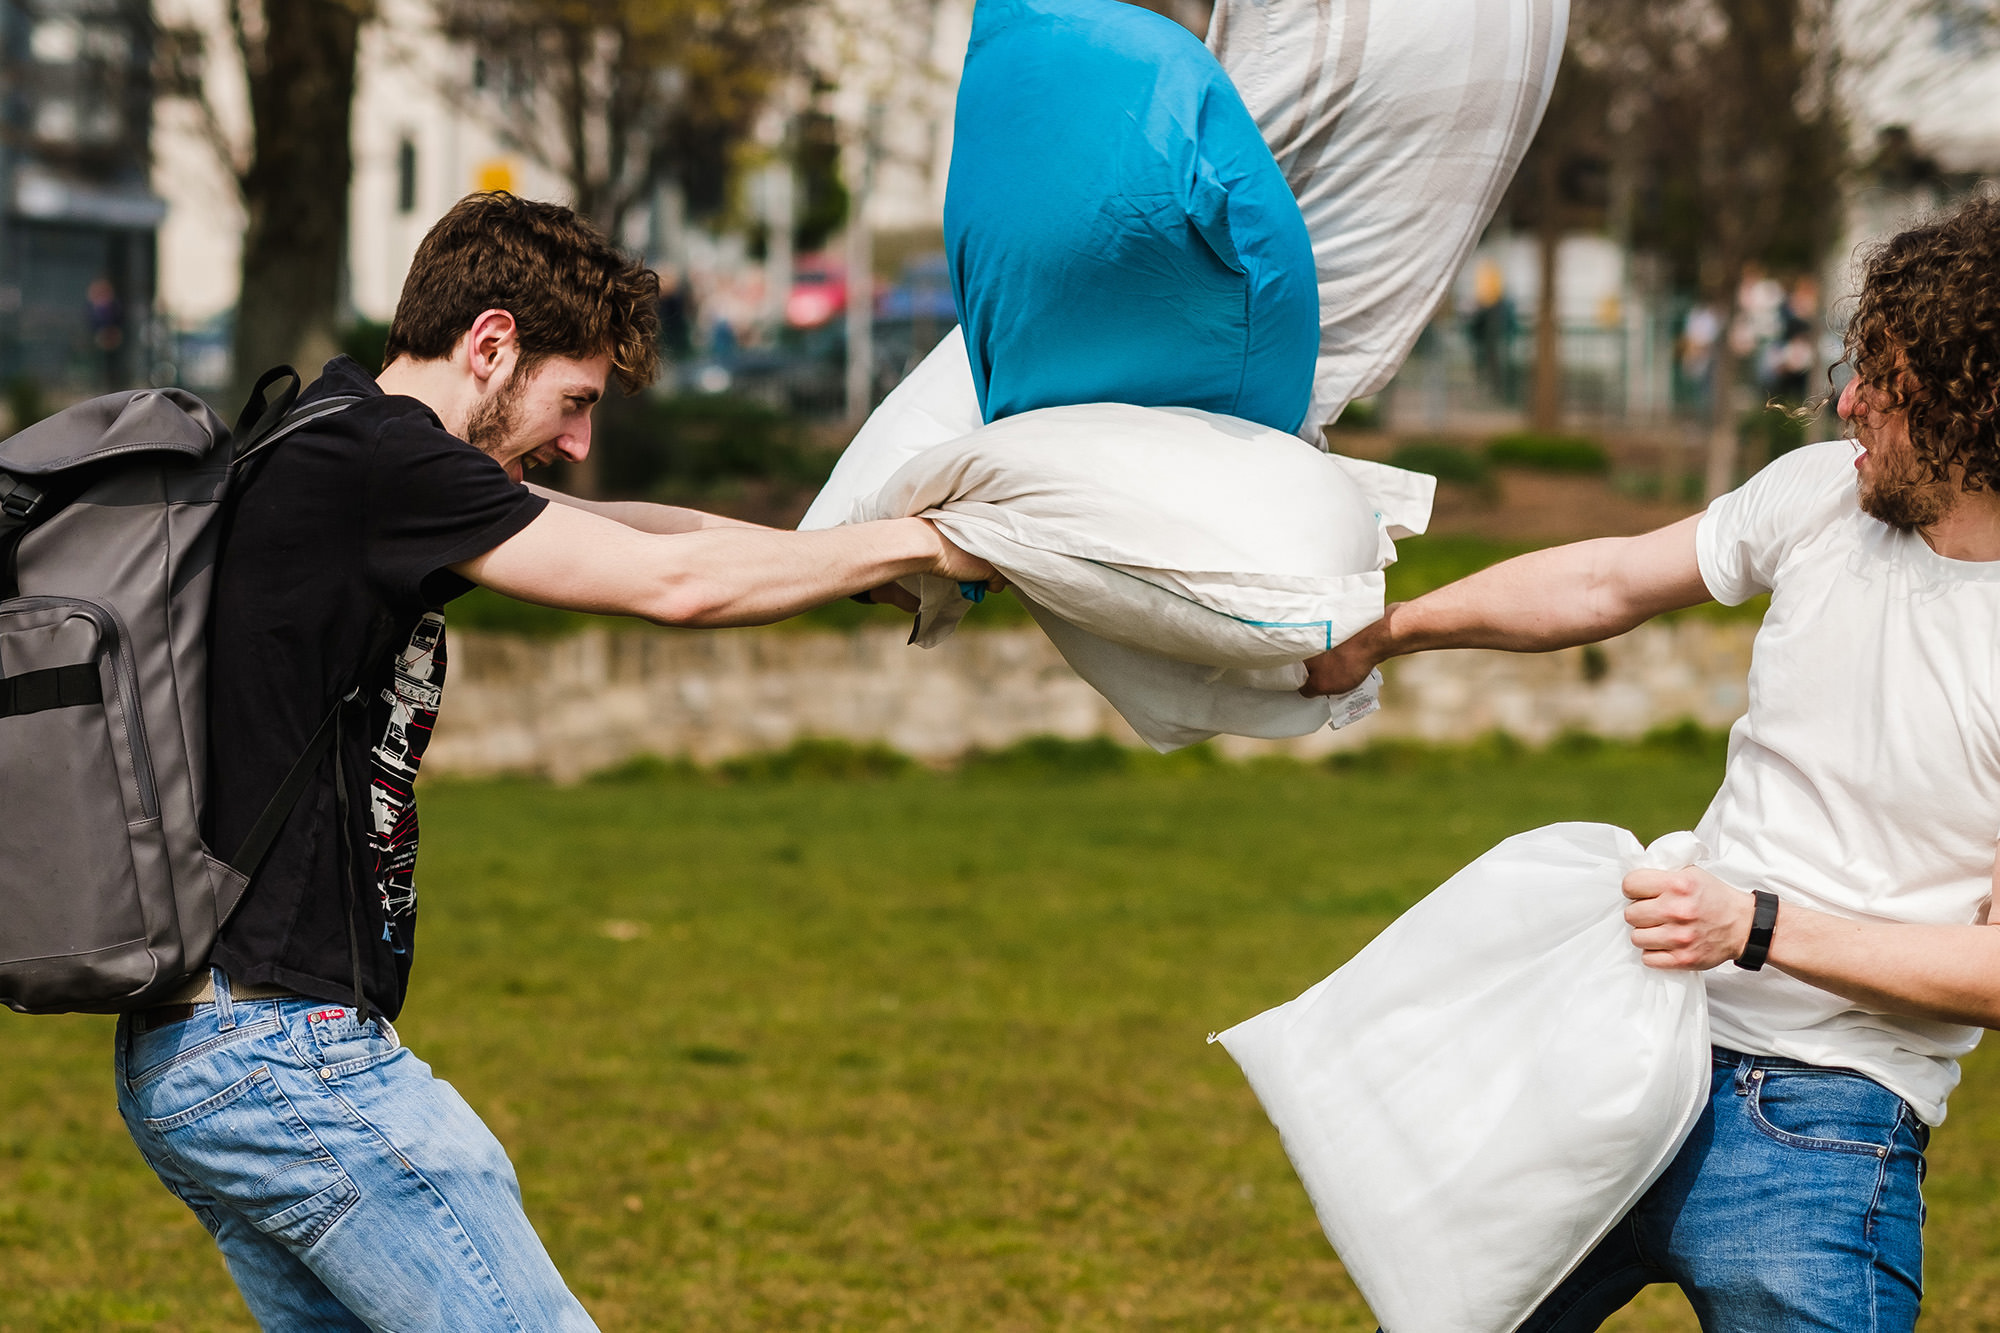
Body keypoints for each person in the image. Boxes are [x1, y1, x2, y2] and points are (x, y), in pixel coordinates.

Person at [112, 192, 991, 1332]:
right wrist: (937, 539)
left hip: (203, 1050)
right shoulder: (378, 463)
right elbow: (672, 587)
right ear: (489, 344)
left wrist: (835, 559)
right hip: (278, 1053)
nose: (577, 440)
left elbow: (633, 531)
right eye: (572, 400)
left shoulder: (332, 435)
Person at [1301, 194, 2000, 1331]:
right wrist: (1392, 629)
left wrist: (1755, 925)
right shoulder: (1816, 497)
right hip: (1639, 1052)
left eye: (1886, 381)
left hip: (1827, 1131)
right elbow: (1603, 581)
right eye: (1852, 365)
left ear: (1976, 406)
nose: (1845, 400)